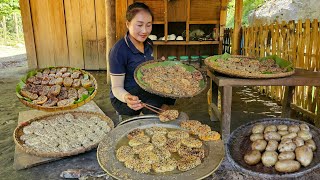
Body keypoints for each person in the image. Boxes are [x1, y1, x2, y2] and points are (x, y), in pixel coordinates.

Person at [109, 2, 175, 116]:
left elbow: (146, 68)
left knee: (172, 80)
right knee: (154, 103)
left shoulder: (148, 43)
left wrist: (158, 64)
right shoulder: (118, 51)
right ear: (127, 24)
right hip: (125, 97)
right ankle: (155, 111)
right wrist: (127, 98)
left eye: (148, 25)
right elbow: (116, 87)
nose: (144, 31)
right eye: (139, 25)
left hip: (145, 88)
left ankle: (160, 108)